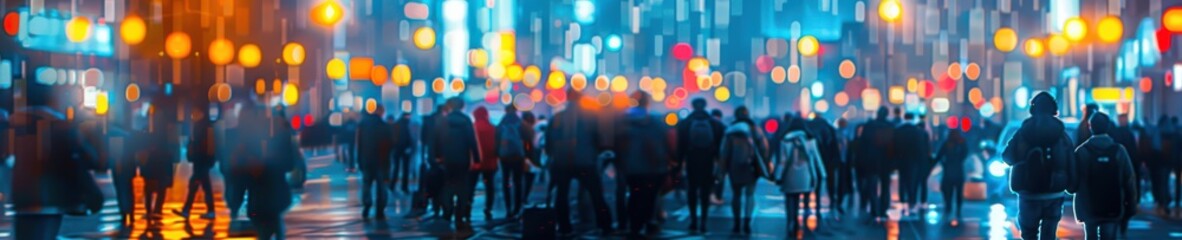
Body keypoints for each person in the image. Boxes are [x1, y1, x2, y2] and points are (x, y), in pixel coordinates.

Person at [11, 90, 101, 238]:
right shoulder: (59, 126)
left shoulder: (15, 126)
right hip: (51, 198)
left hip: (22, 198)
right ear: (51, 101)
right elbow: (83, 160)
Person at [1002, 92, 1076, 240]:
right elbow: (1071, 161)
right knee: (1049, 234)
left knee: (1029, 233)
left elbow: (1007, 157)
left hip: (1028, 191)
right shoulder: (1062, 135)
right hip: (1054, 191)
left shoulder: (1022, 133)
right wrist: (1072, 185)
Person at [545, 89, 614, 235]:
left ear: (567, 97)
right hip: (585, 161)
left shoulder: (557, 117)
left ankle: (564, 227)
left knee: (561, 195)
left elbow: (548, 142)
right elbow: (598, 139)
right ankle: (605, 225)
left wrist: (554, 157)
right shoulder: (590, 116)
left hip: (562, 162)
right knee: (597, 196)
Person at [614, 92, 675, 237]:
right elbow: (668, 144)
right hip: (654, 168)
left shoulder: (622, 121)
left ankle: (634, 225)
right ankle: (648, 222)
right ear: (647, 102)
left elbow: (617, 145)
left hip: (631, 168)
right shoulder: (656, 122)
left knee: (634, 196)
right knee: (649, 197)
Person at [1070, 112, 1137, 240]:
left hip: (1088, 205)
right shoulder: (1119, 151)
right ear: (1108, 127)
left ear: (1090, 127)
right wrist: (1131, 206)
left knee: (1091, 236)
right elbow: (1129, 180)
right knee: (1109, 236)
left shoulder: (1082, 151)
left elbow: (1073, 182)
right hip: (1113, 204)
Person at [247, 106, 298, 239]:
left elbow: (288, 163)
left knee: (269, 227)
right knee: (272, 225)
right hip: (266, 196)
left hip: (268, 195)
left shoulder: (279, 136)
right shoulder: (261, 136)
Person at [675, 98, 725, 232]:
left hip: (692, 160)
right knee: (705, 191)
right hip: (708, 161)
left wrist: (678, 166)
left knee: (692, 191)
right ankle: (704, 220)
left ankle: (693, 220)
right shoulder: (715, 124)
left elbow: (679, 148)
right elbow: (721, 147)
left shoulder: (685, 123)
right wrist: (720, 166)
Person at [719, 106, 769, 234]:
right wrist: (764, 164)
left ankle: (736, 223)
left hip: (734, 167)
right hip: (751, 166)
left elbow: (724, 152)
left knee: (736, 195)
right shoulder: (755, 129)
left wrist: (722, 170)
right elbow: (764, 148)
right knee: (750, 194)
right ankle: (747, 222)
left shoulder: (730, 131)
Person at [772, 117, 825, 236]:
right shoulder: (810, 140)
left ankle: (792, 223)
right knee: (806, 201)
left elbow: (782, 161)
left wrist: (778, 176)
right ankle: (806, 223)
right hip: (806, 175)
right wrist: (822, 173)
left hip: (790, 176)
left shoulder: (785, 140)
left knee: (791, 201)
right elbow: (817, 158)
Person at [175, 107, 219, 220]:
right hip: (201, 159)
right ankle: (206, 210)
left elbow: (207, 144)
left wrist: (206, 157)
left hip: (201, 159)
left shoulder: (202, 126)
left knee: (196, 183)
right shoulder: (203, 125)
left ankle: (189, 209)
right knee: (202, 185)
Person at [356, 105, 394, 219]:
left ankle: (367, 205)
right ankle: (380, 211)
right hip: (381, 161)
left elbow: (359, 144)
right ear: (382, 112)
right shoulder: (385, 126)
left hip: (367, 160)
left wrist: (359, 160)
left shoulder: (363, 125)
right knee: (381, 187)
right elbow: (390, 145)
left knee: (367, 185)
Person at [860, 107, 896, 221]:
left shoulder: (869, 126)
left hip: (871, 161)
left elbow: (863, 144)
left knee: (872, 187)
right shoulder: (890, 127)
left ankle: (874, 210)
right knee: (885, 187)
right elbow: (894, 146)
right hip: (886, 161)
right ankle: (883, 209)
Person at [496, 105, 531, 219]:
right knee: (518, 181)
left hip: (505, 157)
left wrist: (498, 154)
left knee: (506, 182)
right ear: (516, 111)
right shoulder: (521, 124)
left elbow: (496, 140)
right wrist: (526, 155)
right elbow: (528, 141)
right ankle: (517, 207)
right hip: (518, 156)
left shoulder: (501, 124)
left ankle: (508, 208)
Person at [895, 113, 931, 215]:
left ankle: (902, 201)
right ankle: (912, 201)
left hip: (901, 160)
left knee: (902, 181)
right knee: (913, 181)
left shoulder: (898, 130)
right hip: (914, 160)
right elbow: (922, 148)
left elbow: (894, 147)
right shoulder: (918, 132)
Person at [1108, 114, 1138, 237]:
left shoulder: (1114, 135)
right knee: (1125, 198)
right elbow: (1135, 153)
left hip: (1115, 173)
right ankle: (1122, 228)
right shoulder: (1129, 134)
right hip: (1126, 169)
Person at [807, 115, 841, 218]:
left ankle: (812, 204)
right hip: (829, 160)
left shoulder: (809, 128)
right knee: (830, 183)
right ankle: (832, 202)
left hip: (814, 161)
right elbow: (834, 146)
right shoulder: (829, 129)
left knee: (813, 183)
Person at [470, 106, 499, 221]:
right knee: (489, 185)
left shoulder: (473, 128)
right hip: (490, 161)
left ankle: (468, 206)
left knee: (471, 185)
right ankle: (488, 207)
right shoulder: (493, 128)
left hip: (475, 162)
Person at [934, 128, 969, 222]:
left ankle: (948, 207)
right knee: (958, 192)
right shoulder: (962, 143)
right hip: (959, 171)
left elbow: (939, 156)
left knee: (947, 191)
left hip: (948, 171)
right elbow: (965, 154)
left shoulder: (947, 143)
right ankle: (958, 210)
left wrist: (941, 163)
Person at [391, 113, 415, 194]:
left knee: (396, 169)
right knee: (405, 170)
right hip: (405, 150)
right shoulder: (407, 125)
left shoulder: (396, 124)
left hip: (397, 149)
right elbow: (409, 137)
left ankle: (392, 185)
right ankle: (404, 187)